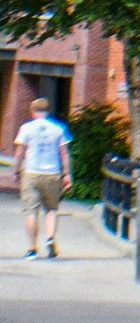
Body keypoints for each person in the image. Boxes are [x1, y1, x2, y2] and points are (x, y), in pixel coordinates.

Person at [15, 98, 72, 260]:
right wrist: (67, 174)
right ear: (48, 111)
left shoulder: (26, 128)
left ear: (33, 111)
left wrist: (16, 171)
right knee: (51, 209)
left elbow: (20, 152)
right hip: (52, 174)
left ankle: (32, 248)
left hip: (31, 173)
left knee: (31, 211)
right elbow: (64, 154)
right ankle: (50, 239)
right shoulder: (59, 128)